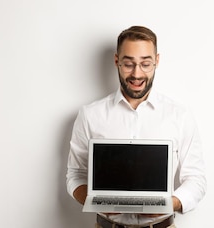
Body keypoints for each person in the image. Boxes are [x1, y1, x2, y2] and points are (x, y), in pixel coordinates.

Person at [66, 25, 206, 228]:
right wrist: (95, 200)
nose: (137, 74)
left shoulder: (180, 115)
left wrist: (169, 204)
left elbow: (196, 179)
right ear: (117, 61)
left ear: (157, 61)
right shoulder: (90, 115)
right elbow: (75, 175)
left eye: (145, 64)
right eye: (128, 64)